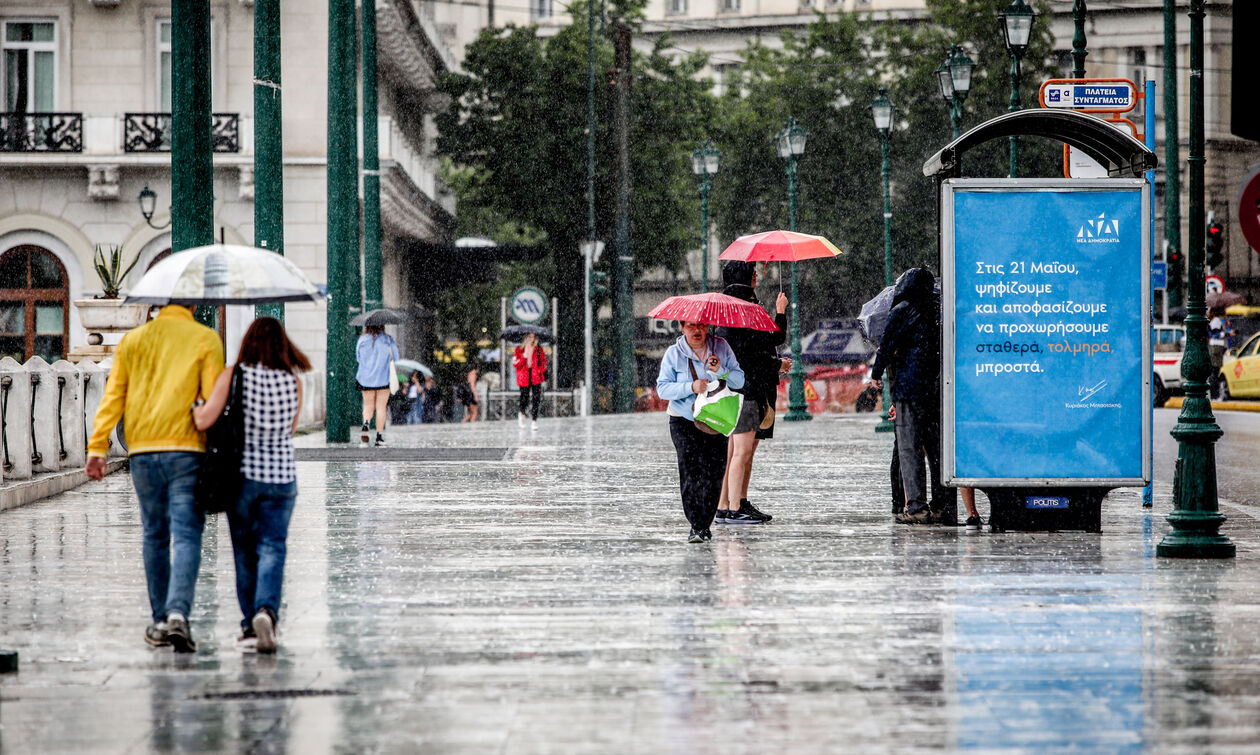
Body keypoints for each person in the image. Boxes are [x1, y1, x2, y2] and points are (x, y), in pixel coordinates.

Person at [85, 305, 225, 653]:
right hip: (187, 449)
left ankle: (160, 619)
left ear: (153, 306)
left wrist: (97, 446)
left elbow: (114, 395)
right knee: (188, 534)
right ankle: (179, 612)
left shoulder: (133, 340)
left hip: (143, 450)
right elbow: (212, 404)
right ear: (192, 306)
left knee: (155, 534)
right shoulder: (206, 339)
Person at [194, 317, 309, 654]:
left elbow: (204, 419)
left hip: (242, 477)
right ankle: (267, 612)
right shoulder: (293, 381)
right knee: (274, 546)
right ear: (282, 345)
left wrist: (196, 404)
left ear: (248, 342)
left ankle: (248, 627)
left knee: (245, 553)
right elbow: (289, 430)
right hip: (283, 478)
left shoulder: (234, 375)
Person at [656, 320, 745, 543]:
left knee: (714, 472)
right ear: (682, 327)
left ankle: (705, 520)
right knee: (690, 470)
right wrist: (691, 387)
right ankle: (697, 525)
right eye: (691, 326)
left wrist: (721, 370)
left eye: (702, 326)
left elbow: (740, 379)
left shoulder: (721, 347)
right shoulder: (673, 354)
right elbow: (663, 388)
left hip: (715, 419)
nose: (697, 331)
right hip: (683, 419)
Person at [714, 261, 789, 525]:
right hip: (747, 390)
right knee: (742, 452)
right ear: (746, 278)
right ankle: (735, 507)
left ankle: (727, 504)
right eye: (752, 272)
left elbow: (747, 350)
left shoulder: (726, 310)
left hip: (735, 390)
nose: (757, 275)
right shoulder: (745, 309)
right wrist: (780, 312)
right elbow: (770, 341)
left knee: (735, 452)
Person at [870, 268, 945, 525]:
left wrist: (876, 373)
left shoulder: (901, 309)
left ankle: (916, 507)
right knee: (936, 450)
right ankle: (942, 504)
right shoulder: (938, 310)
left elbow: (887, 344)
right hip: (935, 389)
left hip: (909, 390)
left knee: (909, 448)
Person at [355, 324, 399, 446]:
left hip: (365, 378)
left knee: (368, 406)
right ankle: (378, 437)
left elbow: (358, 358)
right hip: (383, 379)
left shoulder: (362, 339)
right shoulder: (388, 339)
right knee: (381, 408)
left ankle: (366, 423)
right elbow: (396, 357)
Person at [513, 332, 548, 432]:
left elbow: (543, 362)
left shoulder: (538, 349)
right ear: (525, 337)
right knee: (524, 397)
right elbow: (516, 364)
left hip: (535, 376)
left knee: (536, 398)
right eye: (529, 336)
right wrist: (524, 356)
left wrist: (540, 370)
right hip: (524, 377)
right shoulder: (519, 349)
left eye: (533, 337)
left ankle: (534, 421)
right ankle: (522, 413)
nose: (531, 339)